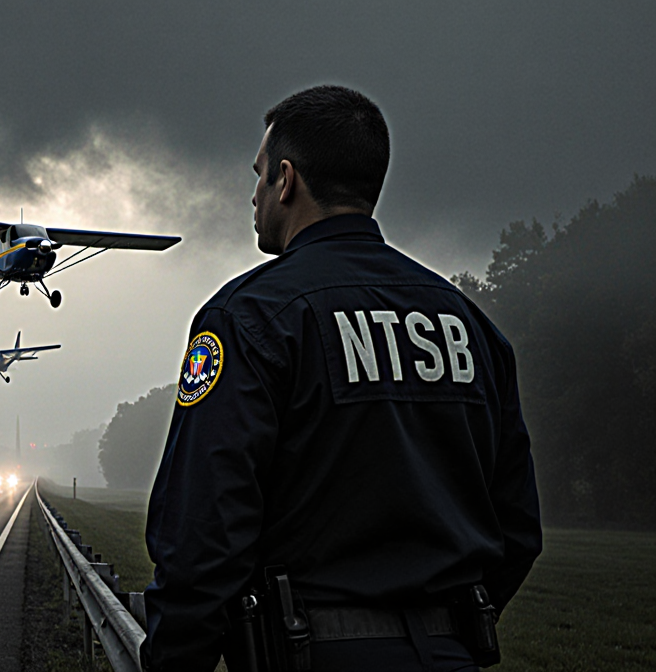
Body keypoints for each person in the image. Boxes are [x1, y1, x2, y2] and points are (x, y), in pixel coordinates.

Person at [143, 85, 542, 672]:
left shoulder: (246, 318)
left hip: (311, 653)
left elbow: (202, 534)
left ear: (286, 180)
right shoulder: (471, 324)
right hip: (453, 653)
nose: (253, 196)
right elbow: (518, 527)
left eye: (258, 176)